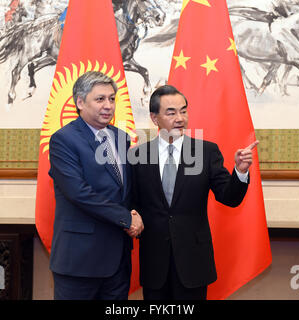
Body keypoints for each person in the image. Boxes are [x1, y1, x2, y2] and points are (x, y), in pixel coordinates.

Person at [131, 85, 258, 300]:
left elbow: (230, 198)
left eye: (183, 110)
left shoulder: (206, 152)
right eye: (171, 112)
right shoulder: (138, 155)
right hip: (154, 262)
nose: (180, 118)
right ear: (154, 118)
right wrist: (132, 214)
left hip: (193, 261)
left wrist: (240, 171)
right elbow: (131, 201)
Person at [48, 71, 144, 300]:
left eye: (112, 99)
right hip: (80, 260)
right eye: (100, 99)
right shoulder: (64, 140)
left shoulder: (121, 137)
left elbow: (124, 190)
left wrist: (136, 213)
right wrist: (126, 218)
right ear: (80, 102)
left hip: (118, 260)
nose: (108, 105)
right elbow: (78, 193)